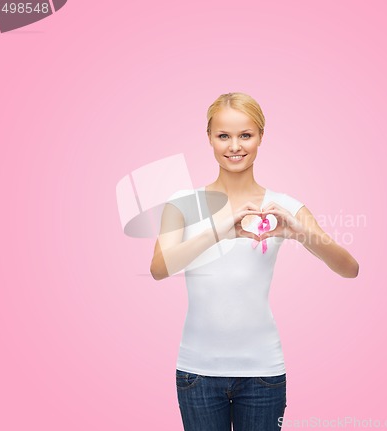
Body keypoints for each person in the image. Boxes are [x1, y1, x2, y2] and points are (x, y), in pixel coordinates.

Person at [150, 92, 359, 430]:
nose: (235, 146)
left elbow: (349, 269)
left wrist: (301, 233)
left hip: (262, 373)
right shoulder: (183, 203)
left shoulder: (284, 205)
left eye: (245, 135)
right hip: (197, 372)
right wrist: (219, 231)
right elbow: (159, 269)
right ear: (209, 138)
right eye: (224, 136)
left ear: (261, 136)